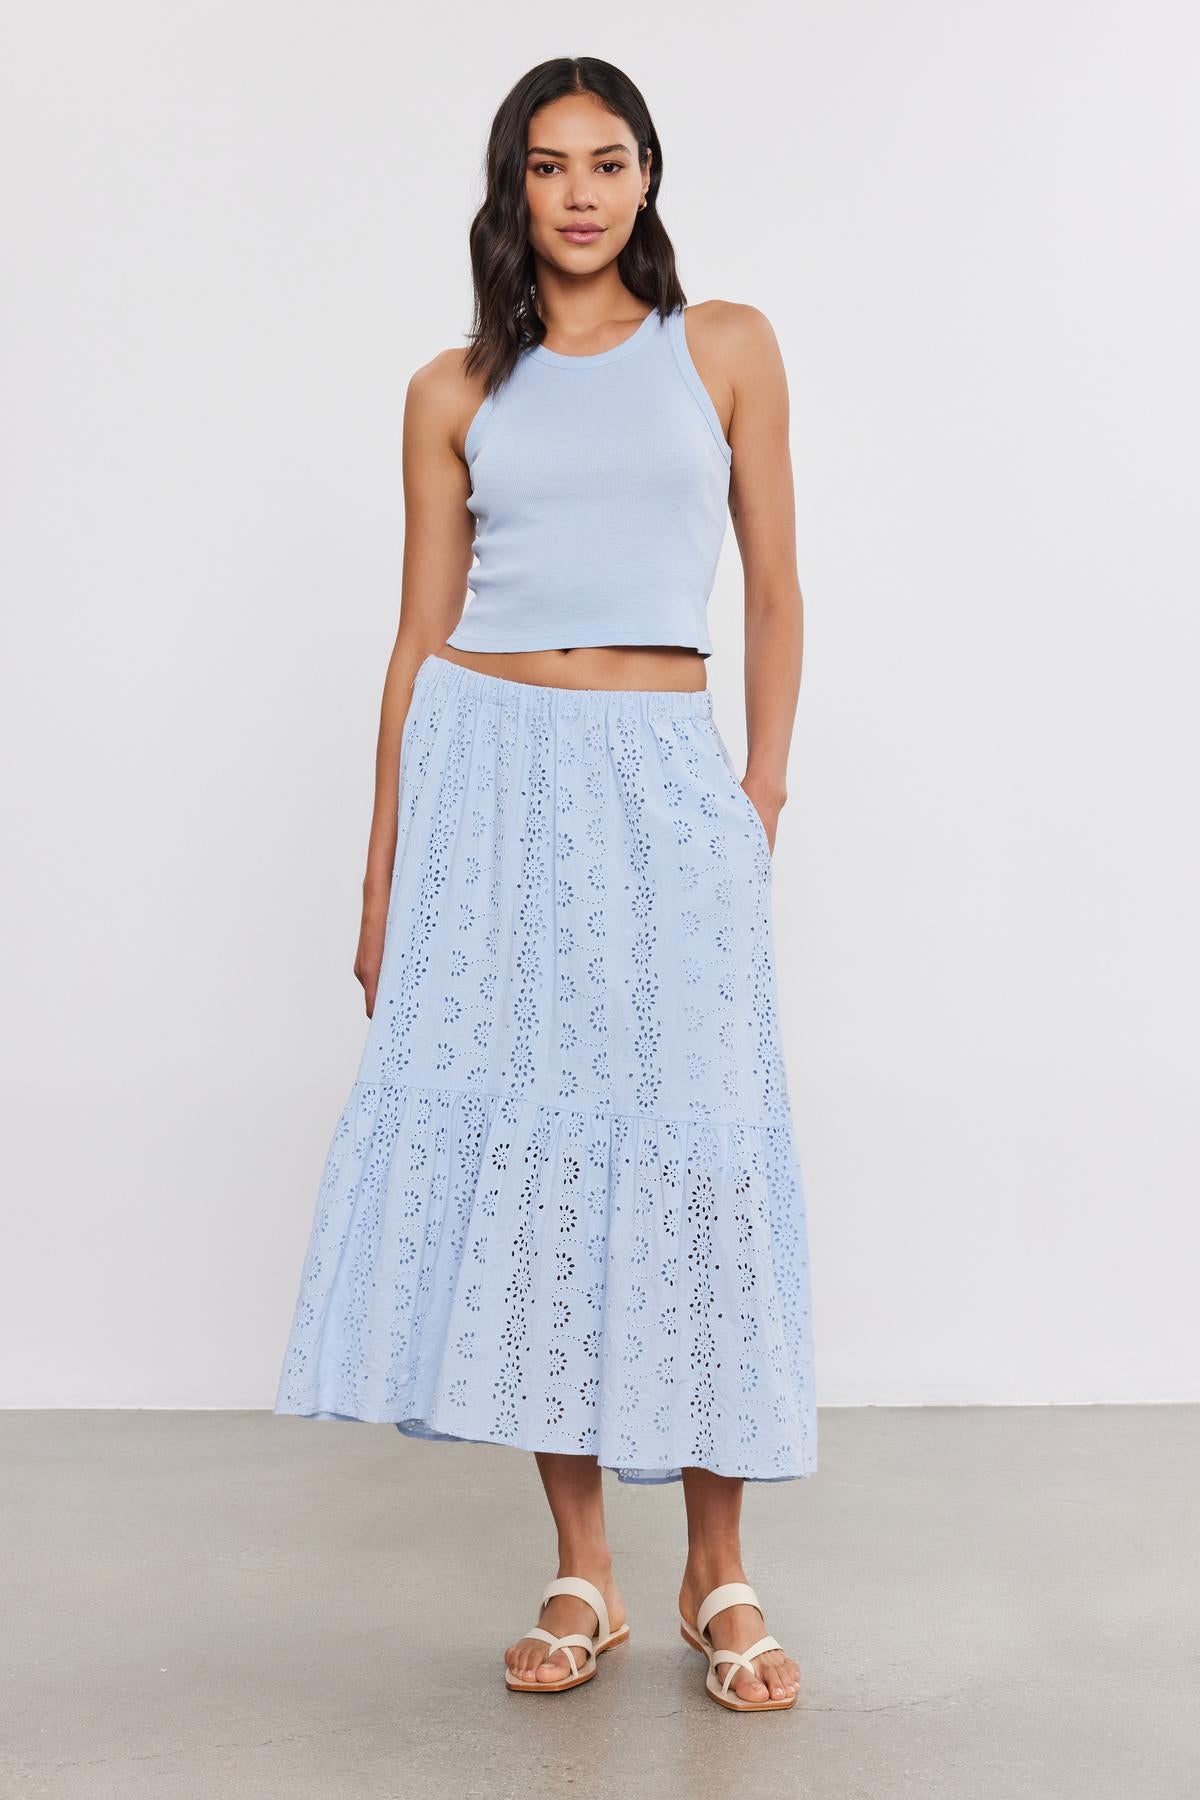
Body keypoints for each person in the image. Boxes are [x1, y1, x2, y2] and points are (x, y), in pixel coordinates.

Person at [274, 56, 817, 1713]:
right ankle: (583, 1565)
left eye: (610, 159)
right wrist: (381, 879)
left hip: (661, 773)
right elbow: (413, 643)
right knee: (546, 1162)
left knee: (700, 1151)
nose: (579, 190)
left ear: (649, 180)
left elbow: (781, 592)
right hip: (490, 786)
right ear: (511, 191)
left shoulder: (720, 346)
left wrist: (756, 804)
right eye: (546, 164)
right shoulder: (454, 387)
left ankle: (718, 1570)